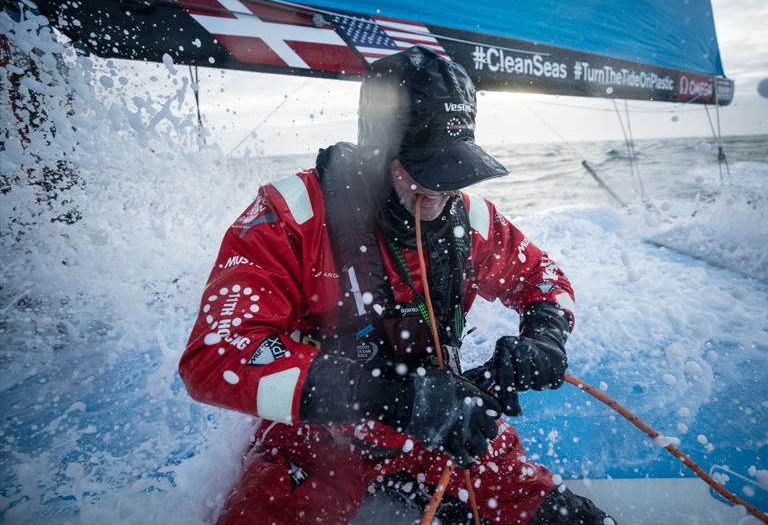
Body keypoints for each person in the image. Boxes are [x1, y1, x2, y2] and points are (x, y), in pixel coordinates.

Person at [180, 46, 612, 524]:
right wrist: (395, 397)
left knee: (562, 517)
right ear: (377, 151)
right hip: (317, 441)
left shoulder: (468, 220)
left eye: (454, 171)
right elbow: (216, 357)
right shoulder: (290, 216)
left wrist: (544, 337)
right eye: (425, 171)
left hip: (442, 425)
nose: (441, 193)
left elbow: (544, 278)